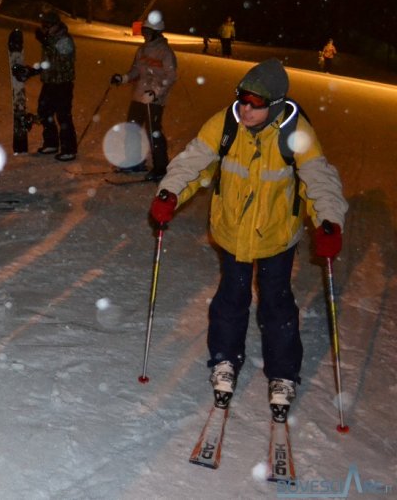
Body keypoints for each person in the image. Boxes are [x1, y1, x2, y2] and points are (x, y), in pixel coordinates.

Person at [149, 58, 347, 414]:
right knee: (231, 297)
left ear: (274, 106)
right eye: (241, 101)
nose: (244, 110)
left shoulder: (295, 132)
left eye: (254, 105)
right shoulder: (226, 123)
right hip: (232, 232)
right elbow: (194, 160)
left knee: (276, 304)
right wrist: (170, 192)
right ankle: (225, 359)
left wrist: (329, 222)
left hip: (275, 237)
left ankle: (283, 373)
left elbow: (320, 179)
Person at [109, 11, 177, 181]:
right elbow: (135, 70)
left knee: (153, 132)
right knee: (132, 128)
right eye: (144, 32)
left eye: (148, 32)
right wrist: (123, 78)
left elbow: (170, 77)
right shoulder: (142, 50)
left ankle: (160, 167)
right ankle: (134, 161)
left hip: (155, 100)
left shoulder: (165, 52)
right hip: (139, 95)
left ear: (156, 32)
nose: (145, 35)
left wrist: (155, 92)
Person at [17, 10, 78, 161]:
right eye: (43, 26)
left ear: (56, 25)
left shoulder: (65, 40)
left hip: (63, 84)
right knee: (44, 112)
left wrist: (46, 42)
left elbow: (61, 62)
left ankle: (69, 149)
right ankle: (51, 143)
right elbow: (49, 63)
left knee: (63, 116)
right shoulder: (50, 39)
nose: (45, 29)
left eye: (48, 26)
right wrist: (33, 70)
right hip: (50, 82)